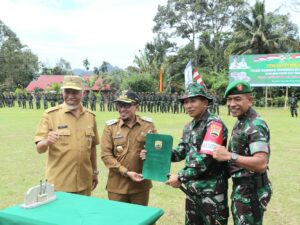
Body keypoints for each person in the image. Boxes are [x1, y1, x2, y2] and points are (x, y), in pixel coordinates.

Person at [141, 82, 229, 224]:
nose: (188, 105)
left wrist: (180, 177)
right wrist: (154, 154)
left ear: (205, 102)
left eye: (193, 101)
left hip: (211, 191)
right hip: (191, 190)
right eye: (185, 102)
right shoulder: (188, 127)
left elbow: (205, 159)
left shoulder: (214, 124)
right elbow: (179, 153)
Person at [213, 80, 272, 225]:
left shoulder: (255, 125)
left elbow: (261, 163)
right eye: (229, 99)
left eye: (237, 99)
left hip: (251, 191)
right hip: (243, 188)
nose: (232, 104)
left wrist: (229, 156)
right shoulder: (242, 121)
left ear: (250, 100)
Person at [34, 75, 100, 196]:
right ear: (62, 92)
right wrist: (47, 141)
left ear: (82, 93)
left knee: (82, 214)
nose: (70, 96)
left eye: (75, 92)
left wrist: (94, 172)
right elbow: (39, 148)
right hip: (59, 184)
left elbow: (92, 147)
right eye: (67, 92)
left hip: (84, 183)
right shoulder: (50, 115)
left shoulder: (90, 117)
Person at [101, 90, 156, 206]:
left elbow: (156, 152)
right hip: (117, 186)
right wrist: (125, 172)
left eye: (127, 105)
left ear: (137, 107)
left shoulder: (148, 126)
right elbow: (106, 156)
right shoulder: (110, 127)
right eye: (120, 105)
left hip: (140, 185)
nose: (122, 109)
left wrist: (149, 154)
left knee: (141, 219)